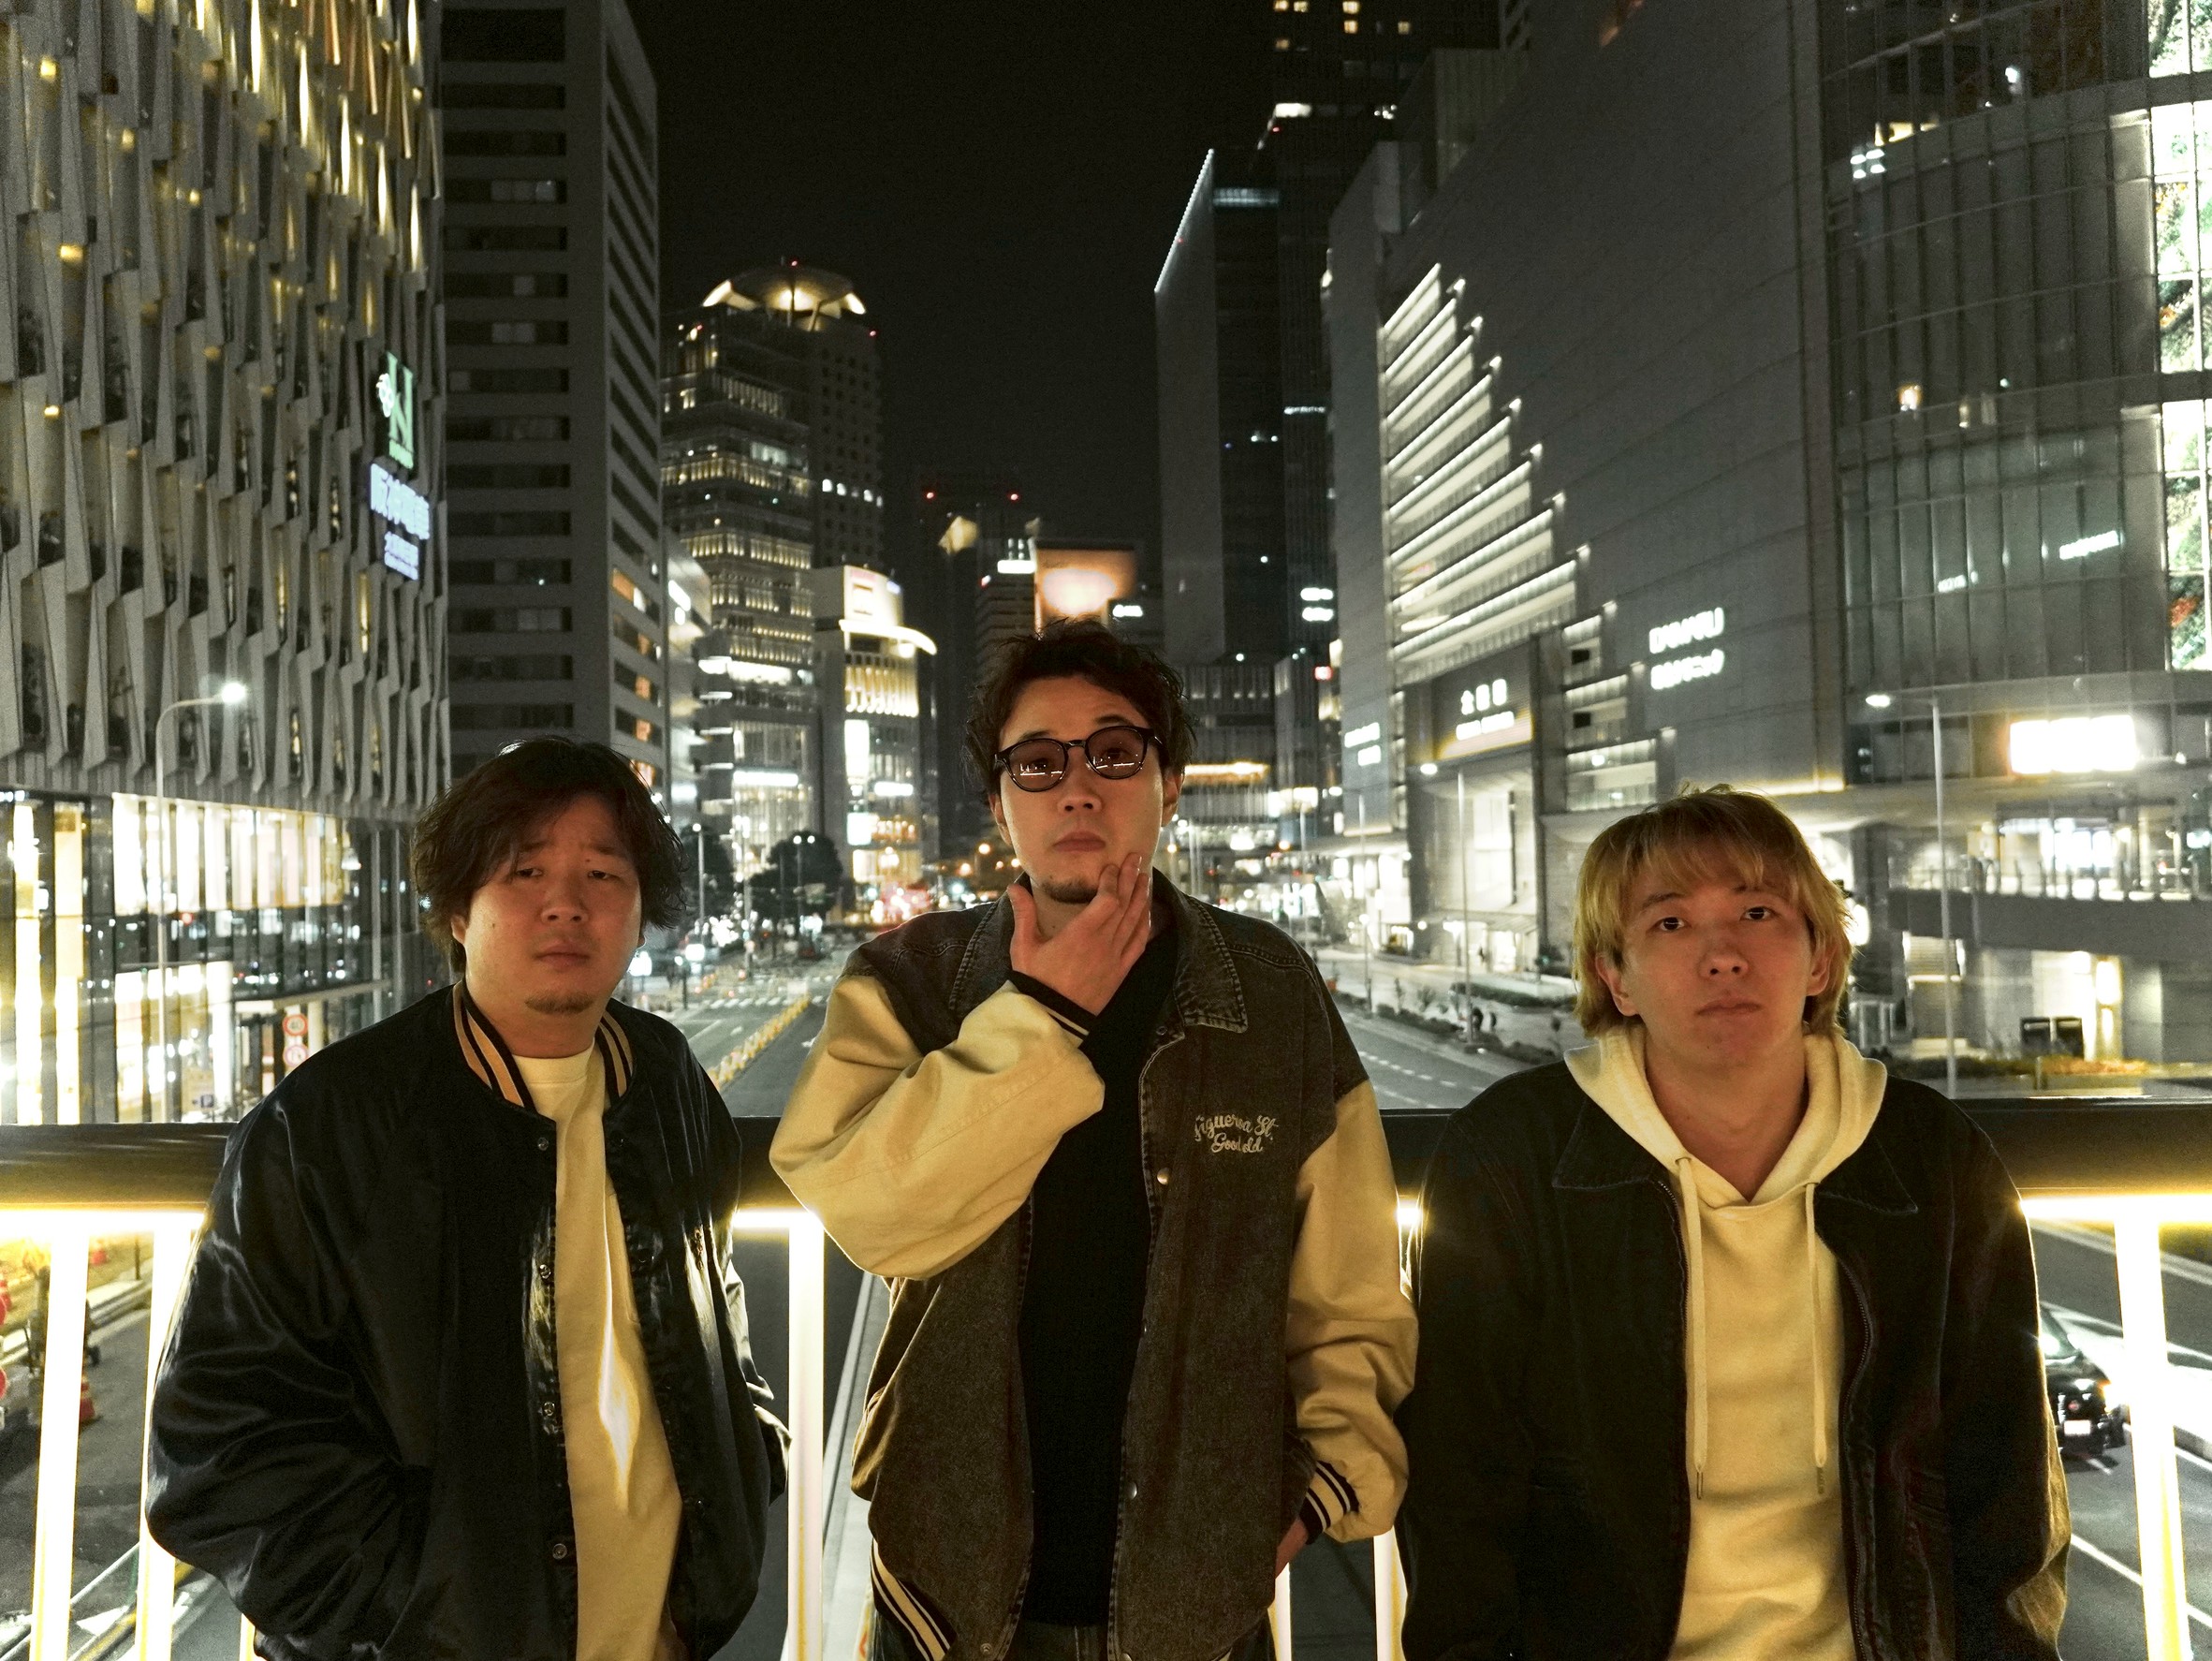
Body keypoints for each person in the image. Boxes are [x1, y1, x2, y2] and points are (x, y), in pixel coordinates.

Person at [773, 620, 1415, 1661]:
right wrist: (1042, 1015)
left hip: (1198, 1593)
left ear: (1169, 785)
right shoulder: (910, 978)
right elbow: (868, 1211)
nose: (1077, 787)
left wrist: (1318, 1495)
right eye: (1038, 762)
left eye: (1114, 753)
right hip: (947, 1591)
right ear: (1000, 802)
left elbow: (1347, 1291)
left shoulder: (1267, 991)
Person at [147, 739, 784, 1661]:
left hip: (663, 1634)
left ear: (641, 910)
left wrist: (744, 1461)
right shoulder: (333, 1121)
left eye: (603, 873)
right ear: (457, 908)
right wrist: (418, 1611)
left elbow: (712, 1295)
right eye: (524, 870)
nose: (566, 903)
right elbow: (218, 1443)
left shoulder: (665, 1079)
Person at [1397, 785, 2067, 1660]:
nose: (1721, 956)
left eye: (1757, 913)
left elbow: (2004, 1478)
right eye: (1669, 923)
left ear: (1820, 959)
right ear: (1614, 977)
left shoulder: (1930, 1157)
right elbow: (1459, 1486)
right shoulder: (1513, 1157)